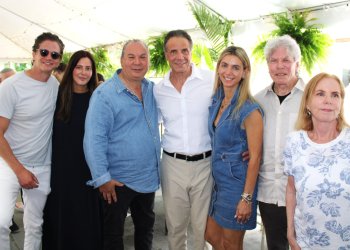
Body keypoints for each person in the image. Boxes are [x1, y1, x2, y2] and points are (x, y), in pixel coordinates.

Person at [83, 39, 160, 250]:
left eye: (142, 57)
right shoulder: (104, 95)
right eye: (131, 57)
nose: (137, 62)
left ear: (148, 62)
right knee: (113, 236)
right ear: (122, 60)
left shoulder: (152, 90)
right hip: (117, 182)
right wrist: (102, 178)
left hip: (147, 178)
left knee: (146, 231)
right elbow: (93, 139)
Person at [0, 32, 64, 250]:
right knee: (1, 223)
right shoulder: (11, 86)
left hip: (41, 166)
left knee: (35, 225)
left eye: (54, 54)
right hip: (9, 163)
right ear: (34, 53)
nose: (49, 57)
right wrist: (19, 170)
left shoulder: (55, 86)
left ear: (59, 59)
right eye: (44, 52)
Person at [154, 29, 214, 250]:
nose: (180, 57)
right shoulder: (159, 90)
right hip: (172, 164)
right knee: (175, 227)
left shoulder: (211, 80)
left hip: (205, 164)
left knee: (201, 228)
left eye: (184, 51)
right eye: (173, 52)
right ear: (166, 54)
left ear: (191, 51)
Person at [204, 46, 263, 249]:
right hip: (217, 183)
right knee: (211, 235)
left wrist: (246, 198)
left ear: (245, 73)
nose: (228, 72)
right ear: (218, 68)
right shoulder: (217, 100)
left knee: (231, 244)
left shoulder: (250, 110)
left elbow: (255, 158)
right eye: (225, 65)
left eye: (236, 68)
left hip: (237, 185)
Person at [42, 50, 101, 250]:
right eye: (79, 67)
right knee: (61, 224)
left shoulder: (98, 99)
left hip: (89, 173)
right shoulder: (55, 96)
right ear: (70, 69)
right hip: (60, 174)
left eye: (88, 68)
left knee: (86, 226)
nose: (83, 73)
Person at [284, 72, 350, 249]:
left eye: (335, 95)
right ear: (307, 102)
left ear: (341, 103)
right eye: (320, 94)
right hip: (306, 242)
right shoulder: (294, 142)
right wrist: (290, 230)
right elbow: (291, 190)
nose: (328, 100)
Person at [254, 35, 305, 250]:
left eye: (286, 60)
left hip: (303, 192)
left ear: (297, 64)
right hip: (269, 192)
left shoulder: (311, 98)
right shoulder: (258, 101)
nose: (280, 66)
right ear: (267, 66)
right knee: (276, 246)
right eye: (274, 61)